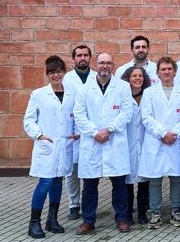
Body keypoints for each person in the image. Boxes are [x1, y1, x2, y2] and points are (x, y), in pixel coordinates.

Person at [72, 53, 134, 235]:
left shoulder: (123, 87)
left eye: (108, 63)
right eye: (101, 63)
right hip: (92, 143)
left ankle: (121, 219)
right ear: (95, 65)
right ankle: (88, 220)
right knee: (89, 186)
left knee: (119, 184)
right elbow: (79, 115)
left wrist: (109, 130)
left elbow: (126, 113)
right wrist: (95, 132)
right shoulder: (84, 89)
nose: (105, 66)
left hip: (114, 141)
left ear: (113, 66)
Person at [23, 55, 74, 238]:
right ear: (47, 74)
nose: (55, 75)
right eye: (51, 72)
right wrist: (39, 135)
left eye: (58, 71)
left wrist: (75, 132)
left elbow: (74, 116)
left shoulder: (71, 94)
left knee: (58, 181)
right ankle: (34, 223)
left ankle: (52, 219)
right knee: (45, 182)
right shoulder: (38, 94)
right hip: (47, 146)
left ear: (64, 73)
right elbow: (29, 120)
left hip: (64, 145)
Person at [138, 57, 180, 229]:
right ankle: (155, 213)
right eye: (163, 69)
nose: (167, 72)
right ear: (158, 72)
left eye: (169, 69)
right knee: (155, 180)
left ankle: (176, 211)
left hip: (175, 140)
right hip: (156, 141)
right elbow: (146, 117)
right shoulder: (149, 93)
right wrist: (162, 134)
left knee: (176, 179)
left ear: (175, 71)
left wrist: (174, 133)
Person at [61, 45, 95, 221]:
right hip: (71, 129)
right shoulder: (67, 79)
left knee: (91, 172)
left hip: (91, 129)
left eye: (85, 55)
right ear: (73, 58)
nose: (82, 58)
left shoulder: (96, 77)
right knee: (72, 170)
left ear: (90, 58)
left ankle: (91, 206)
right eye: (79, 55)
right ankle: (74, 204)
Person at [122, 66, 150, 227]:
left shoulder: (149, 95)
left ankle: (142, 213)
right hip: (127, 142)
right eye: (134, 76)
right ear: (128, 78)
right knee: (127, 182)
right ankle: (127, 213)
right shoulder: (123, 96)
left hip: (145, 142)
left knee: (144, 182)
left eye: (140, 76)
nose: (138, 78)